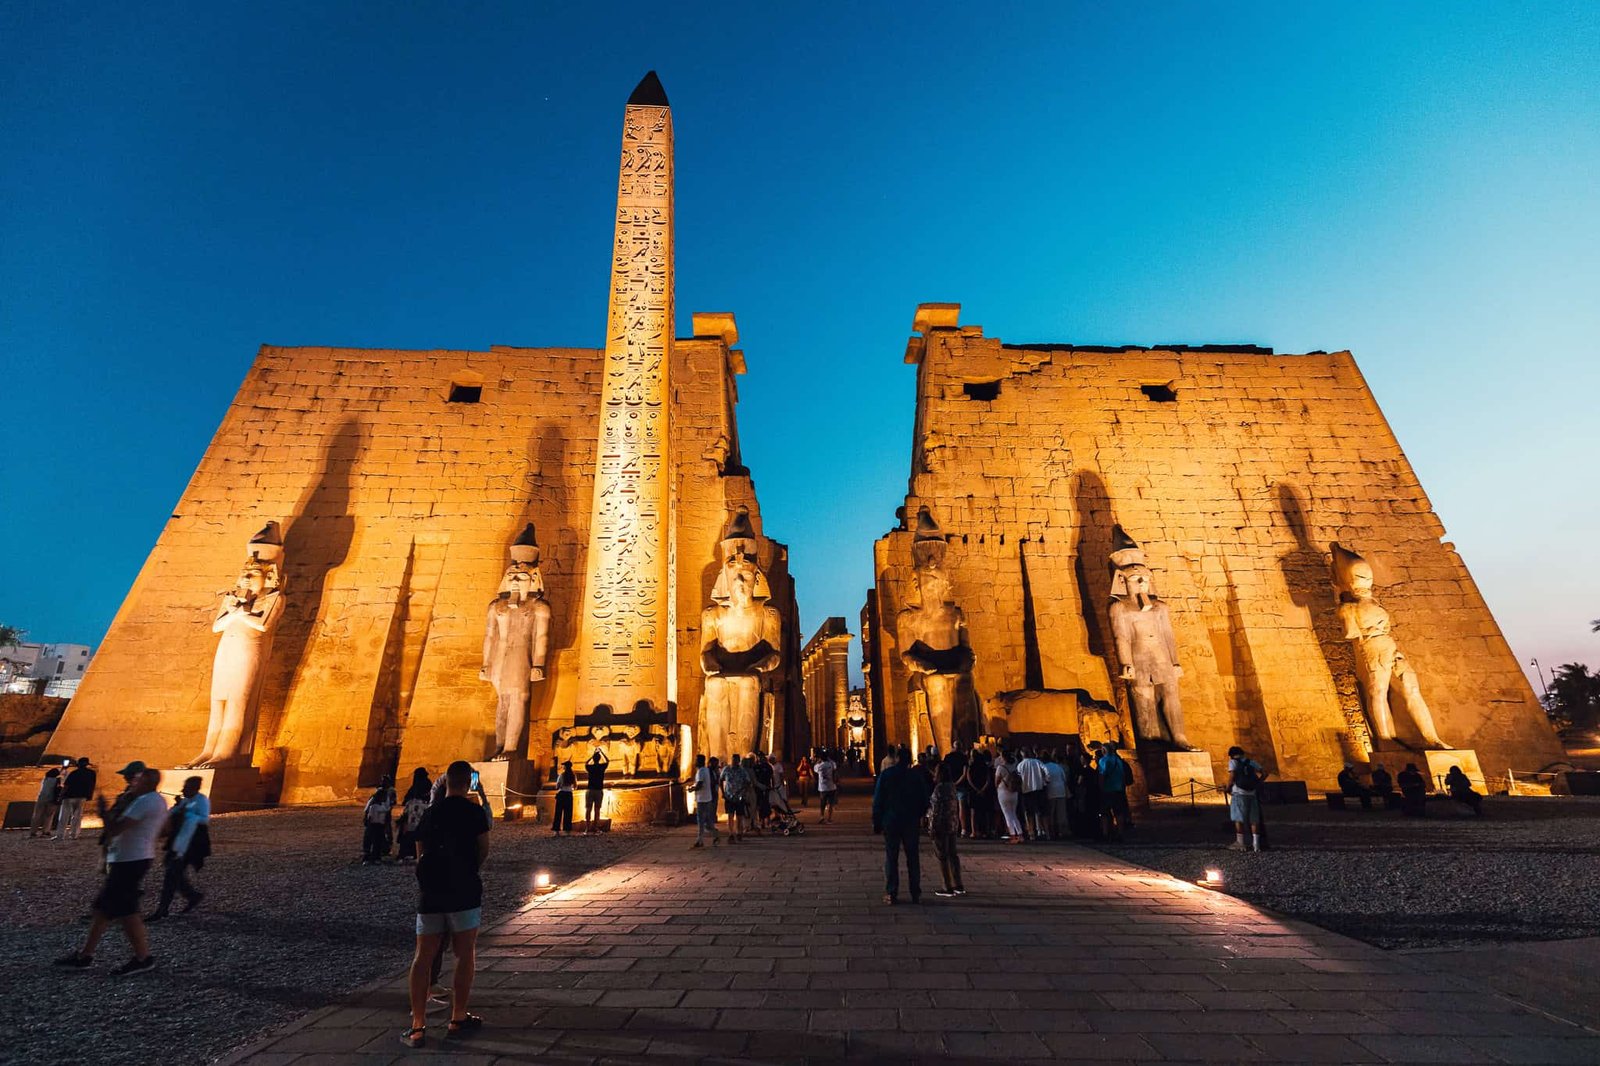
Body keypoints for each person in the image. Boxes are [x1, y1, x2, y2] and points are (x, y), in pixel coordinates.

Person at [403, 761, 489, 1048]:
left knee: (422, 957)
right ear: (469, 783)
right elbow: (483, 850)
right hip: (463, 891)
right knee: (464, 954)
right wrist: (467, 870)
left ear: (445, 783)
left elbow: (420, 855)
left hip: (431, 893)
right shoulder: (475, 812)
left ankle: (417, 1026)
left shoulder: (430, 814)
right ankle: (457, 1018)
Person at [55, 766, 168, 975]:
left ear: (146, 782)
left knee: (127, 911)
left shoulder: (145, 801)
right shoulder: (154, 801)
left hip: (131, 860)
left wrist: (103, 812)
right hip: (129, 858)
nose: (133, 782)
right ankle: (85, 955)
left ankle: (143, 958)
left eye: (138, 780)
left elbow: (115, 828)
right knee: (103, 909)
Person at [872, 746, 932, 904]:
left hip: (891, 820)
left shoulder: (886, 775)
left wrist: (877, 820)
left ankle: (892, 892)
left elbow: (878, 799)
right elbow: (925, 799)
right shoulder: (915, 776)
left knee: (891, 856)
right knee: (913, 857)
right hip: (910, 821)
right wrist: (918, 815)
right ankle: (915, 892)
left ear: (897, 758)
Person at [150, 775, 210, 920]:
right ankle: (192, 895)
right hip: (178, 842)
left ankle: (163, 909)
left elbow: (204, 819)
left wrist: (187, 814)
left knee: (171, 874)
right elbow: (172, 814)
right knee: (172, 871)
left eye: (186, 787)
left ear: (195, 788)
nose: (183, 789)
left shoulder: (201, 801)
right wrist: (178, 807)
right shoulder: (185, 801)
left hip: (189, 844)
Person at [927, 760, 966, 898]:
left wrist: (931, 827)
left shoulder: (939, 788)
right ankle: (958, 884)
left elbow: (936, 810)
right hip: (952, 824)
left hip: (941, 825)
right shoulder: (952, 786)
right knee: (952, 854)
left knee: (942, 855)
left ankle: (946, 886)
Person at [1226, 745, 1268, 850]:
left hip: (1238, 793)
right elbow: (1264, 773)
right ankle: (1256, 845)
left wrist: (1227, 788)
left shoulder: (1233, 762)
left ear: (1231, 755)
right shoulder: (1251, 762)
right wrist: (1258, 782)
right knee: (1254, 819)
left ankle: (1240, 843)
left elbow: (1232, 777)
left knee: (1238, 818)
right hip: (1252, 793)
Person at [1097, 743, 1135, 840]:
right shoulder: (1119, 761)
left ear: (1104, 750)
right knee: (1118, 812)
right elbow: (1123, 775)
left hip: (1107, 790)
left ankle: (1105, 833)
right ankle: (1120, 833)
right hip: (1119, 790)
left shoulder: (1103, 760)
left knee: (1104, 812)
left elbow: (1102, 775)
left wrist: (1100, 788)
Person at [56, 756, 96, 840]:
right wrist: (89, 795)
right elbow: (92, 785)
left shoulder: (74, 773)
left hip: (69, 796)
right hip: (82, 796)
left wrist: (61, 795)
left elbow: (66, 785)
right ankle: (74, 834)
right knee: (77, 816)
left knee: (64, 816)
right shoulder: (92, 773)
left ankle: (60, 835)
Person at [398, 768, 432, 861]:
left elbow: (406, 800)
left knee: (410, 833)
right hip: (421, 811)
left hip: (412, 812)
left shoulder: (414, 787)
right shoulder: (427, 783)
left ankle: (407, 853)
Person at [1016, 748, 1049, 841]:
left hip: (1026, 791)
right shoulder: (1037, 762)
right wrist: (1046, 781)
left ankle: (1031, 833)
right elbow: (1046, 771)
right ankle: (1045, 832)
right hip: (1038, 789)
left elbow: (1018, 778)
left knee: (1028, 813)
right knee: (1041, 812)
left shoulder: (1020, 765)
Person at [689, 754, 721, 848]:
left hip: (702, 799)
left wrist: (692, 789)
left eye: (696, 760)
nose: (695, 762)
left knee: (701, 820)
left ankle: (700, 840)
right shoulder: (706, 770)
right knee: (707, 820)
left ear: (700, 761)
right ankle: (715, 835)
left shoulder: (701, 771)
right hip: (707, 797)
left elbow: (700, 784)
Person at [362, 776, 397, 864]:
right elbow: (386, 808)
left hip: (375, 823)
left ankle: (373, 855)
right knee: (376, 839)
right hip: (377, 824)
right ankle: (375, 856)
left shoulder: (380, 796)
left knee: (374, 839)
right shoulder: (378, 803)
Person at [993, 750, 1025, 843]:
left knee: (1007, 814)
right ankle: (1020, 834)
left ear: (1003, 757)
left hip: (1003, 792)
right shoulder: (1014, 766)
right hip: (1014, 792)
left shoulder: (1000, 767)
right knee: (1014, 814)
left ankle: (1012, 836)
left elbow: (996, 781)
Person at [720, 753, 752, 841]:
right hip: (729, 796)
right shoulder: (726, 769)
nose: (735, 762)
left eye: (737, 760)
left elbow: (748, 782)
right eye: (733, 760)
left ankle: (739, 832)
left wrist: (744, 792)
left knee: (739, 816)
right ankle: (731, 833)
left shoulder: (742, 771)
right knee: (730, 815)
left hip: (739, 796)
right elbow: (721, 780)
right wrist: (723, 792)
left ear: (739, 761)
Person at [964, 747, 994, 838]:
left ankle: (974, 831)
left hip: (973, 791)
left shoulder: (971, 767)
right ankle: (984, 831)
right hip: (983, 791)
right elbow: (988, 779)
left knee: (973, 812)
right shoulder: (985, 767)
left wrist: (975, 789)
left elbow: (969, 778)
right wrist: (982, 789)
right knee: (983, 812)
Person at [1044, 751, 1070, 839]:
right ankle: (1062, 831)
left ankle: (1052, 831)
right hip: (1061, 791)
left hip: (1050, 791)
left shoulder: (1044, 767)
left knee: (1051, 813)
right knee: (1061, 812)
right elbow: (1064, 779)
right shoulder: (1058, 766)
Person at [30, 767, 63, 838]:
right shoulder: (56, 780)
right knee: (49, 816)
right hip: (51, 799)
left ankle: (33, 831)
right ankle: (45, 831)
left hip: (41, 799)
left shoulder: (45, 779)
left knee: (37, 815)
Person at [583, 749, 609, 833]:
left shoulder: (590, 767)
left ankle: (587, 827)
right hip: (598, 790)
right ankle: (595, 827)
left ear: (593, 759)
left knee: (588, 809)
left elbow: (586, 763)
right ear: (599, 759)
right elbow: (608, 761)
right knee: (597, 810)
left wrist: (592, 755)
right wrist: (601, 752)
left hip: (590, 790)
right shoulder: (601, 767)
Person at [814, 749, 839, 823]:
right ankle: (829, 818)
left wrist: (818, 761)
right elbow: (835, 767)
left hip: (822, 787)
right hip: (832, 786)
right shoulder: (831, 764)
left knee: (822, 803)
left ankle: (821, 816)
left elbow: (815, 769)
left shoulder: (819, 766)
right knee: (830, 803)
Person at [750, 752, 775, 827]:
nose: (760, 758)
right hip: (758, 788)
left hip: (766, 787)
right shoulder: (755, 767)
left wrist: (772, 786)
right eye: (759, 757)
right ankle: (761, 821)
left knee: (766, 804)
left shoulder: (768, 767)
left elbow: (771, 777)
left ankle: (768, 820)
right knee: (759, 805)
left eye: (761, 757)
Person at [551, 760, 575, 834]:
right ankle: (567, 830)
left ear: (565, 767)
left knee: (558, 812)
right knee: (568, 813)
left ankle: (557, 829)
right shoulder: (573, 775)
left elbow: (557, 786)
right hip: (569, 794)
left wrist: (560, 786)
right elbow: (575, 786)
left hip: (562, 794)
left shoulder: (561, 775)